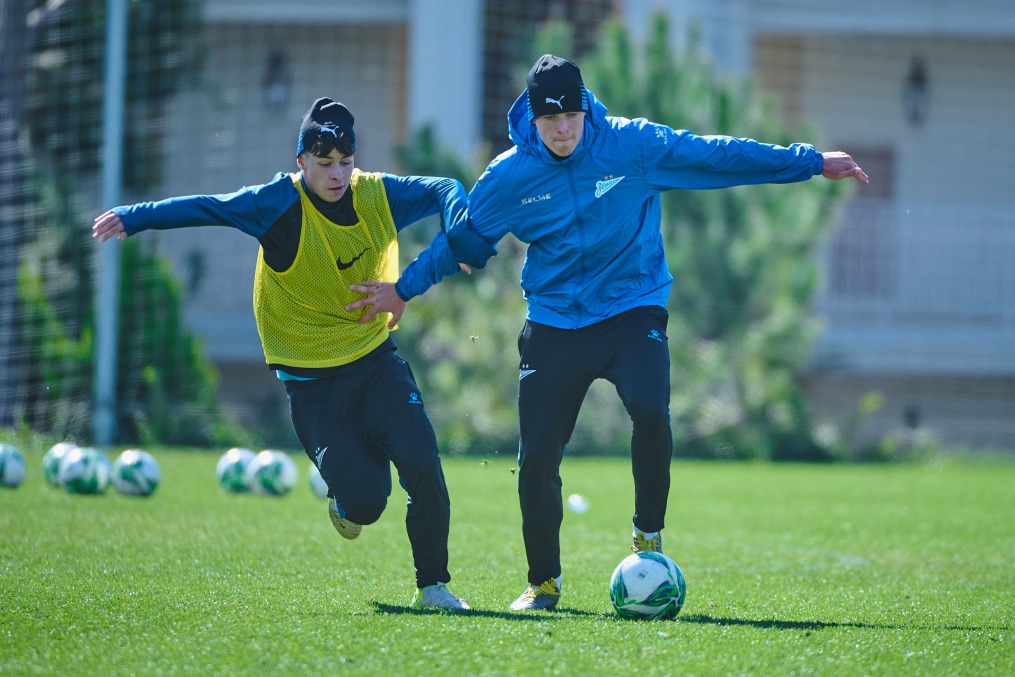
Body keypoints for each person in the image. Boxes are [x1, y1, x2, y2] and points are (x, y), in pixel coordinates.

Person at [445, 54, 870, 611]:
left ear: (585, 107)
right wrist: (410, 282)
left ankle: (647, 535)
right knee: (538, 457)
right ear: (533, 117)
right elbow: (466, 235)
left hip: (632, 307)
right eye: (551, 119)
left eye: (571, 115)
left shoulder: (632, 145)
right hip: (555, 319)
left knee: (650, 410)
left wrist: (809, 162)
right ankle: (543, 582)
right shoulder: (509, 173)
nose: (563, 128)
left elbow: (715, 154)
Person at [93, 97, 472, 611]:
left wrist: (456, 230)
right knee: (366, 504)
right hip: (313, 384)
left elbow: (446, 188)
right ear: (301, 161)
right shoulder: (275, 204)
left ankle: (434, 587)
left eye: (346, 162)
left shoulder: (377, 194)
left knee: (423, 462)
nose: (337, 174)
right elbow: (208, 206)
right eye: (324, 163)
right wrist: (133, 217)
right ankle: (348, 490)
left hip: (373, 359)